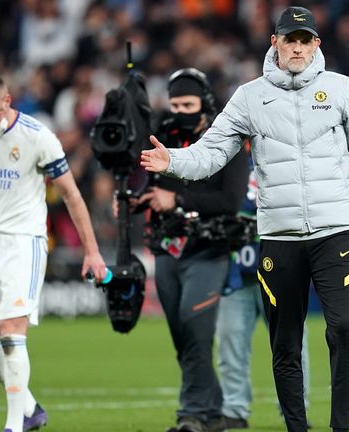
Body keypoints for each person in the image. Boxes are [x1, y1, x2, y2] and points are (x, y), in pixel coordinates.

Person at [141, 7, 349, 432]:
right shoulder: (249, 96)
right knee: (284, 343)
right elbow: (212, 152)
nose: (296, 47)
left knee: (343, 329)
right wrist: (173, 162)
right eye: (289, 39)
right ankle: (297, 428)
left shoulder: (343, 90)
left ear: (316, 45)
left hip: (335, 232)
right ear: (274, 42)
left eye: (304, 40)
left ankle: (341, 427)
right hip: (279, 236)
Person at [0, 71, 107, 432]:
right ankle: (30, 408)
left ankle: (13, 425)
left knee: (11, 328)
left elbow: (71, 194)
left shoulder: (38, 137)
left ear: (7, 101)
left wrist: (92, 251)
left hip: (23, 240)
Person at [124, 67, 249, 432]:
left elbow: (230, 199)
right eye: (175, 103)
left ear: (205, 104)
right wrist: (135, 201)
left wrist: (175, 197)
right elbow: (152, 189)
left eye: (188, 103)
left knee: (195, 327)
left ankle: (191, 415)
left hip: (209, 249)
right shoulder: (162, 140)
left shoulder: (228, 142)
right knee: (182, 334)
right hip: (167, 248)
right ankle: (212, 412)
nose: (181, 110)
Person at [215, 150, 312, 430]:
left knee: (292, 342)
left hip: (280, 266)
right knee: (231, 341)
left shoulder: (284, 155)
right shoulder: (225, 160)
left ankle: (296, 410)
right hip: (236, 270)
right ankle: (234, 410)